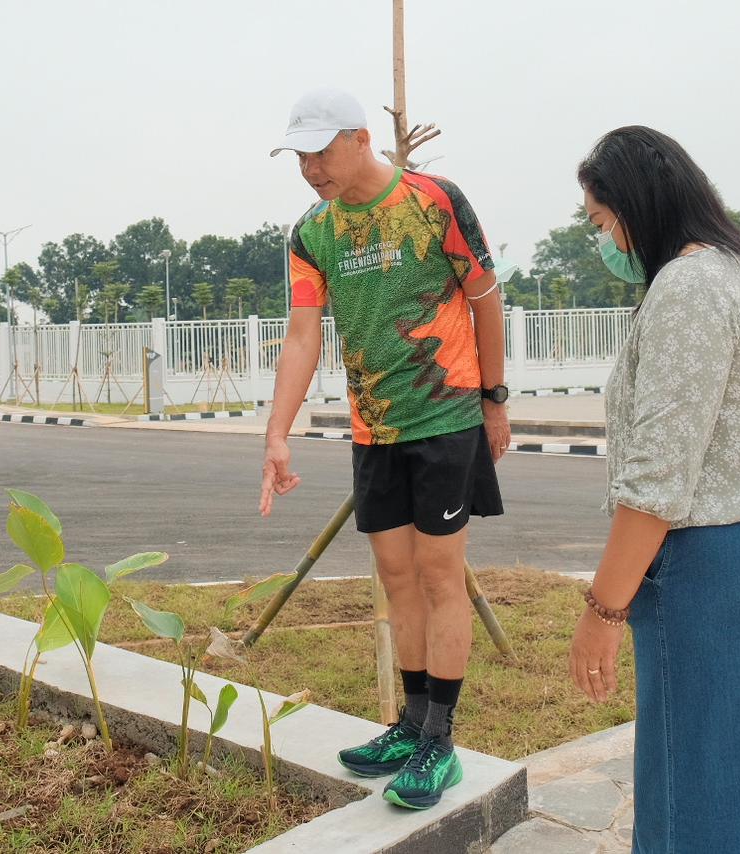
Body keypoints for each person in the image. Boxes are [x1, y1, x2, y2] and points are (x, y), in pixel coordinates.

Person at [569, 125, 740, 852]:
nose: (603, 239)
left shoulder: (688, 288)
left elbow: (657, 481)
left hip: (719, 571)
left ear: (635, 206)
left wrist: (602, 610)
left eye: (599, 221)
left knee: (697, 797)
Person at [258, 86, 510, 810]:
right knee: (396, 577)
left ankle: (442, 741)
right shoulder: (313, 234)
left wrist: (495, 401)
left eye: (319, 152)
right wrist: (278, 433)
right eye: (299, 156)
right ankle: (410, 721)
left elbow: (485, 297)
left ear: (360, 139)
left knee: (439, 575)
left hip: (445, 418)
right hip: (374, 430)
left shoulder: (435, 201)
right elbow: (304, 333)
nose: (309, 169)